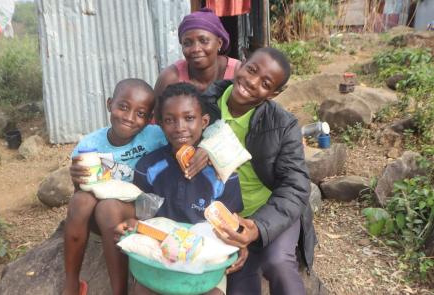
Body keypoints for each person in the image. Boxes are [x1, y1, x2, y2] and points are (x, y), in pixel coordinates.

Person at [200, 47, 317, 295]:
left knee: (278, 263)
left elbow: (295, 186)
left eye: (265, 83)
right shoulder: (202, 105)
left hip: (270, 210)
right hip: (224, 216)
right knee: (239, 279)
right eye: (251, 70)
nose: (252, 83)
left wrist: (257, 227)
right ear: (241, 64)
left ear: (274, 93)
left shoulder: (283, 124)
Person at [114, 82, 244, 295]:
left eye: (189, 118)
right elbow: (140, 217)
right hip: (158, 260)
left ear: (204, 122)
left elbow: (231, 221)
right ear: (160, 125)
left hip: (204, 264)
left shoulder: (223, 172)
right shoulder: (148, 167)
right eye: (170, 120)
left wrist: (238, 243)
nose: (180, 127)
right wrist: (131, 225)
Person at [62, 78, 168, 295]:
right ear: (110, 104)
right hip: (100, 218)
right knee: (81, 201)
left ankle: (119, 291)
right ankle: (71, 282)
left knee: (107, 207)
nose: (129, 118)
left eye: (140, 113)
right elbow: (80, 194)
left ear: (150, 119)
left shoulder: (157, 137)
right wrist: (76, 180)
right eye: (123, 107)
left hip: (140, 211)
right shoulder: (89, 145)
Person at [153, 8, 241, 97]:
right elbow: (156, 110)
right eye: (187, 43)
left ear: (219, 43)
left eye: (203, 41)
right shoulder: (170, 78)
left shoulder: (237, 72)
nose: (196, 49)